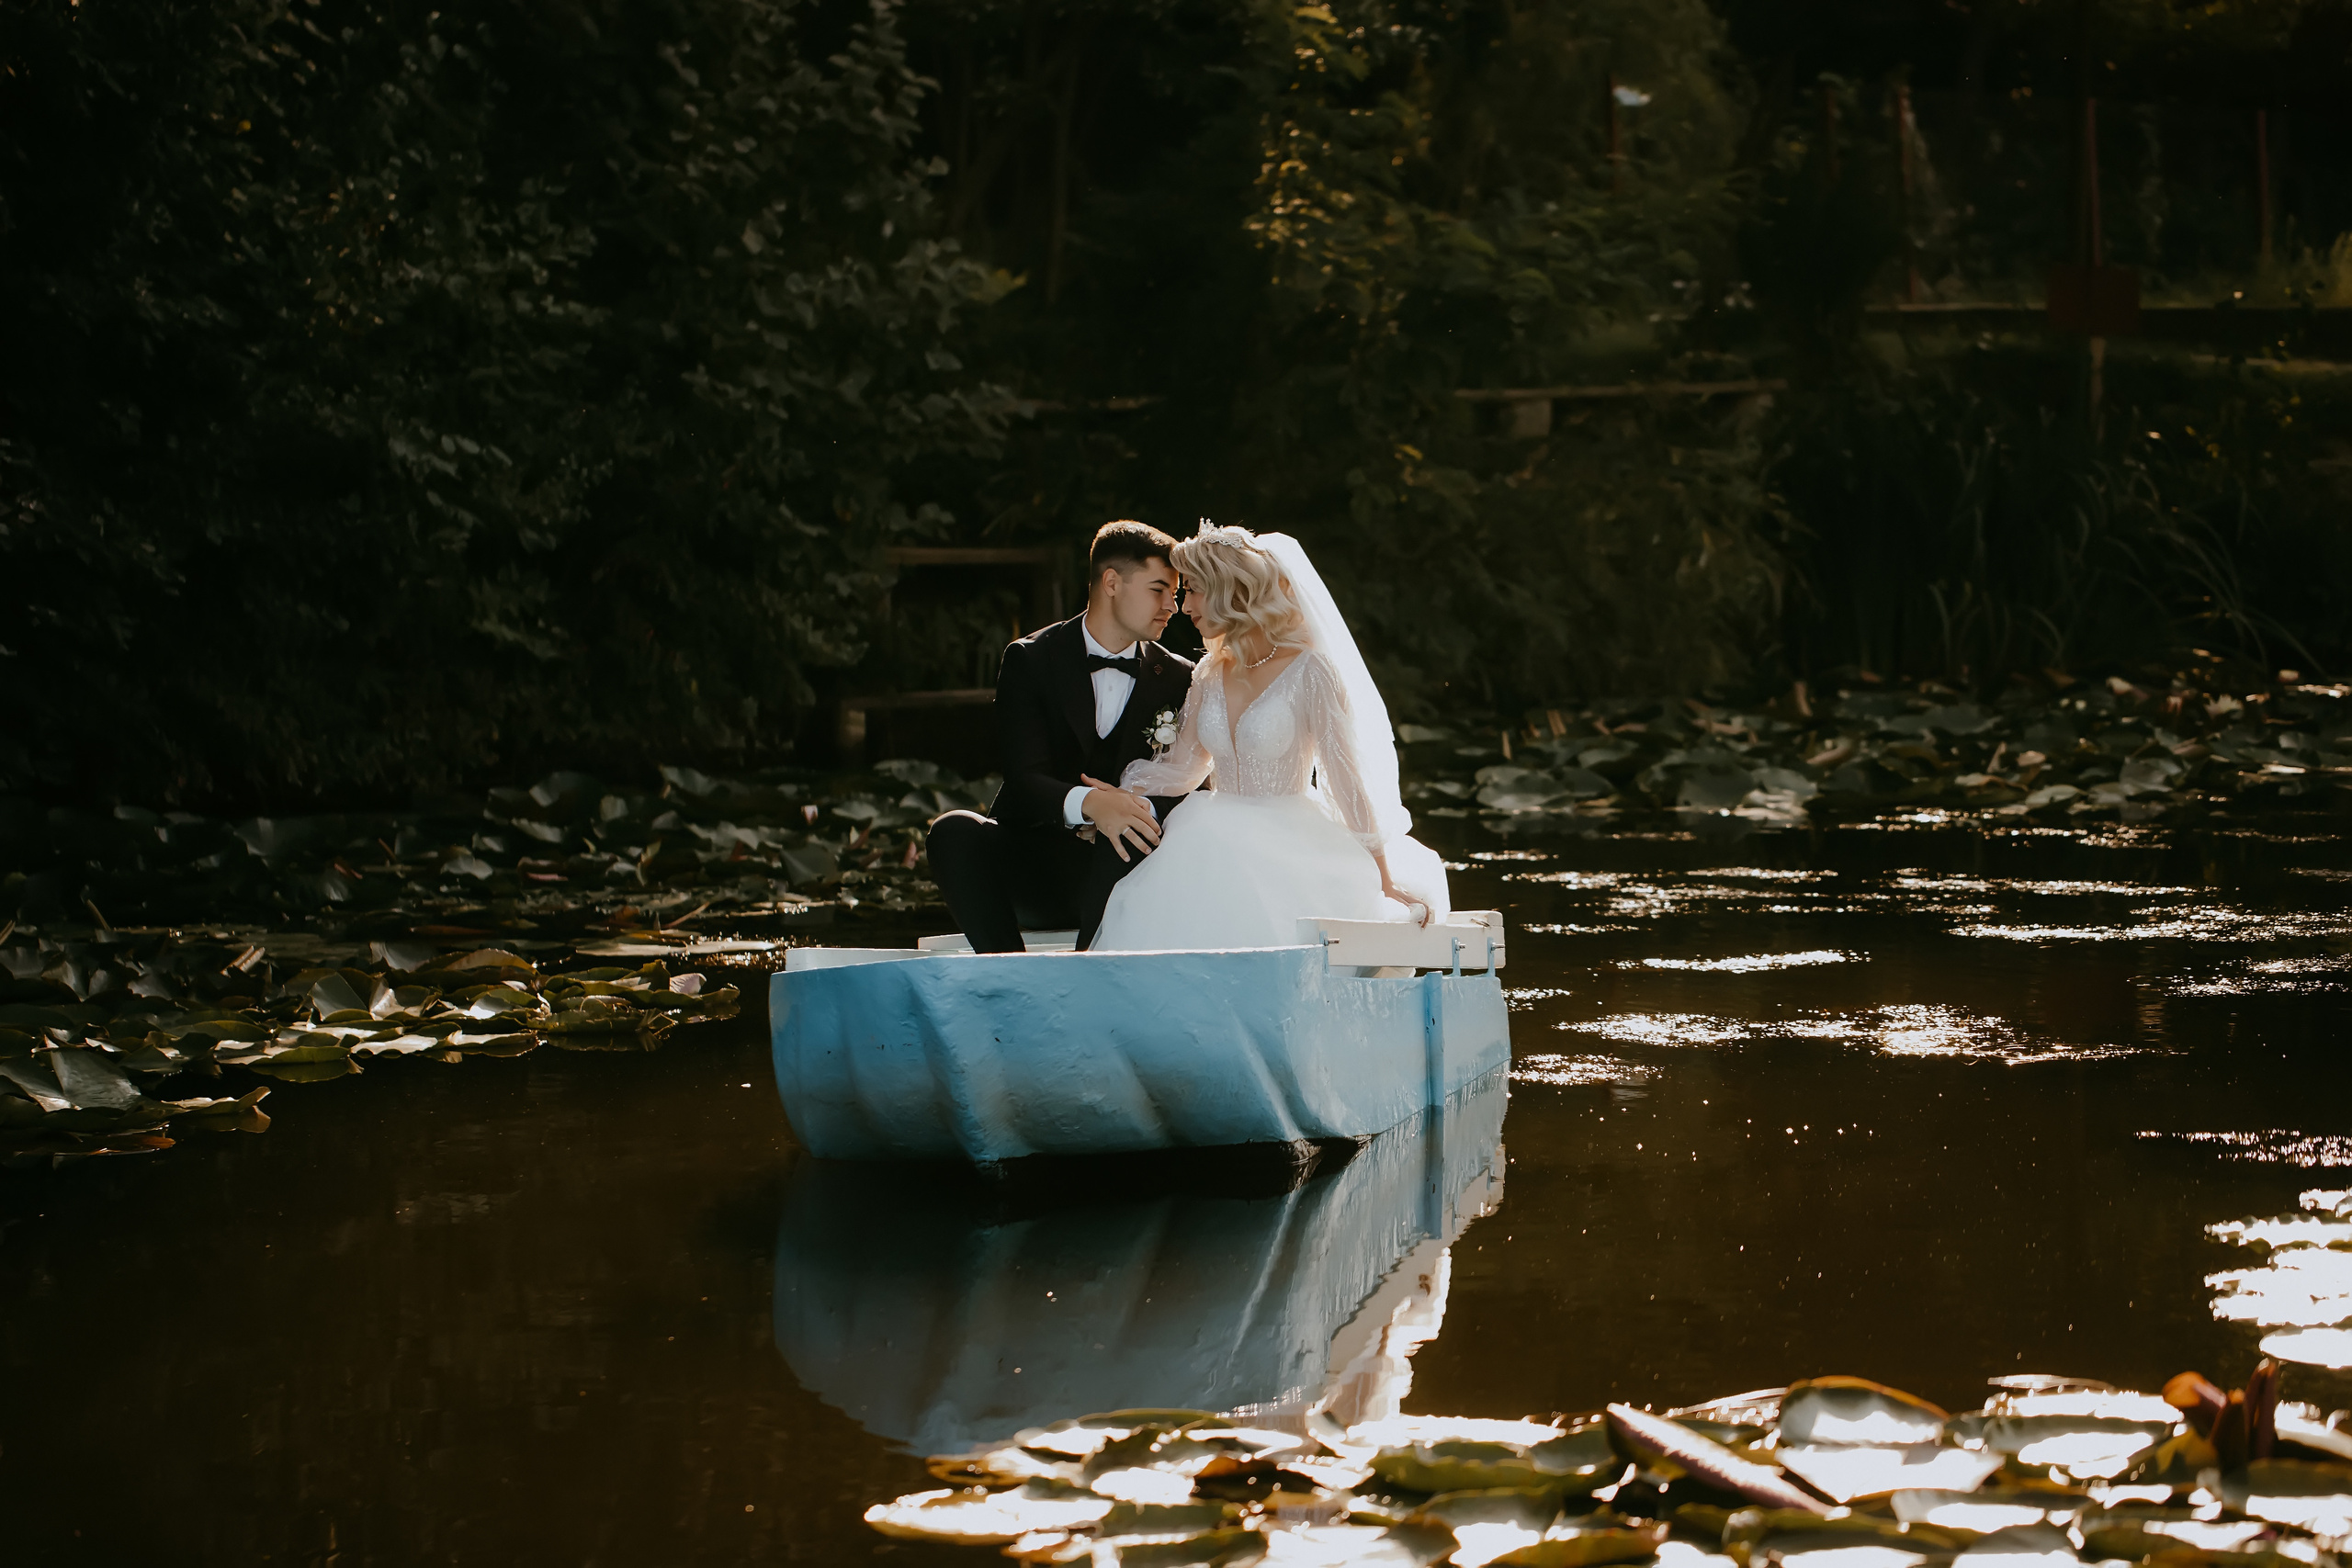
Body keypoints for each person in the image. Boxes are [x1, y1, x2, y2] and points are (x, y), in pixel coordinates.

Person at [1090, 523, 1450, 953]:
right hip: (1210, 837)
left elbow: (1344, 778)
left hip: (1292, 841)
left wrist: (1383, 880)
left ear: (1231, 591)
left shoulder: (1310, 669)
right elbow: (1182, 769)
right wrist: (1112, 798)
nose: (1184, 606)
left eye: (1195, 590)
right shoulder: (1209, 672)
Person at [926, 521, 1196, 952]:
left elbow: (1188, 784)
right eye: (1159, 589)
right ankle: (1008, 972)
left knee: (1132, 827)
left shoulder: (1179, 677)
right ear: (1111, 582)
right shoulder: (1031, 660)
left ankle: (1087, 973)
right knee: (952, 831)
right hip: (1036, 865)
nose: (1172, 605)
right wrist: (1092, 805)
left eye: (1177, 594)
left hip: (1126, 874)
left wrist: (1127, 808)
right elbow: (1024, 777)